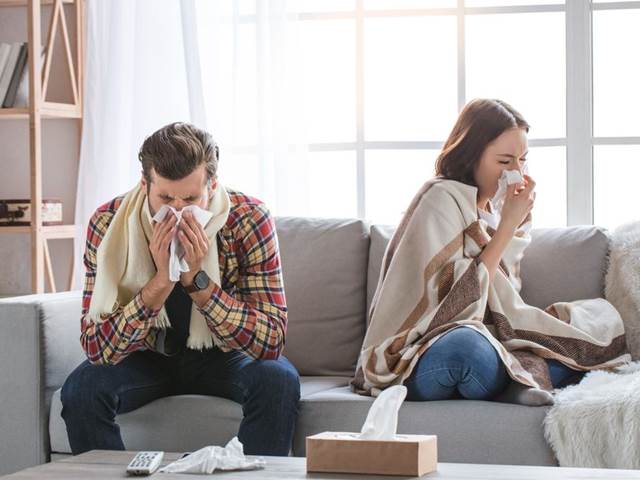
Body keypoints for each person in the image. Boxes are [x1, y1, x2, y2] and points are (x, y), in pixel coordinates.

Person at [351, 99, 630, 403]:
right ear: (471, 157)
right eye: (504, 161)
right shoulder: (441, 198)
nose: (516, 172)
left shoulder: (501, 212)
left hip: (488, 334)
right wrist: (508, 225)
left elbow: (501, 300)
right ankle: (520, 379)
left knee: (596, 317)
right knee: (465, 348)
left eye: (523, 160)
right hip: (418, 350)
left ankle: (518, 378)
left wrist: (511, 221)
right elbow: (448, 305)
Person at [61, 122, 300, 455]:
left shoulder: (249, 218)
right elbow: (97, 347)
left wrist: (196, 281)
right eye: (164, 198)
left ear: (212, 185)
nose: (176, 211)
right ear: (145, 184)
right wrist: (159, 283)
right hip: (145, 356)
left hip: (224, 356)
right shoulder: (108, 222)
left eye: (190, 198)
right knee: (82, 389)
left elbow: (271, 339)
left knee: (278, 380)